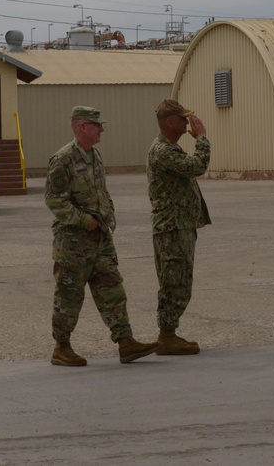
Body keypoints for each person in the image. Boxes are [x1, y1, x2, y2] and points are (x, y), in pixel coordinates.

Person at [46, 105, 159, 366]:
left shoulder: (94, 156)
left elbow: (101, 193)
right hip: (74, 242)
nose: (102, 130)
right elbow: (55, 202)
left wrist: (108, 217)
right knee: (69, 295)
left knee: (112, 289)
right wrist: (85, 222)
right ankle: (61, 347)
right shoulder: (62, 160)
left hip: (100, 238)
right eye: (97, 125)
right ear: (82, 126)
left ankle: (126, 342)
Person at [146, 98, 211, 355]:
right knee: (174, 282)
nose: (187, 123)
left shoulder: (169, 148)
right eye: (183, 119)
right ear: (170, 122)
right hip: (172, 228)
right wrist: (202, 138)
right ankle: (167, 336)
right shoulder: (163, 151)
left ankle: (169, 333)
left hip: (179, 226)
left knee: (180, 282)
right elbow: (197, 166)